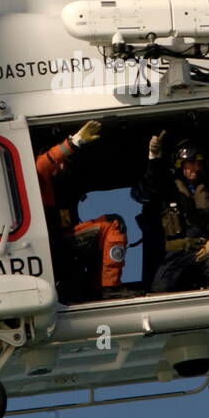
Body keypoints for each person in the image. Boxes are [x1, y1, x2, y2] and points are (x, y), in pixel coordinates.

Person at [36, 120, 128, 301]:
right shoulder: (41, 182)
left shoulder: (68, 183)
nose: (62, 166)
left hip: (65, 246)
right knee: (112, 225)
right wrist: (75, 141)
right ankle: (110, 288)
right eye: (59, 162)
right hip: (53, 245)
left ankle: (98, 287)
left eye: (66, 162)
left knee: (100, 238)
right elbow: (41, 166)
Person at [138, 134, 209, 293]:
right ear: (180, 164)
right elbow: (150, 184)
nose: (196, 167)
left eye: (199, 163)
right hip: (176, 254)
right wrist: (154, 158)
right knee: (161, 289)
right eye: (192, 163)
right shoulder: (166, 189)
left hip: (205, 250)